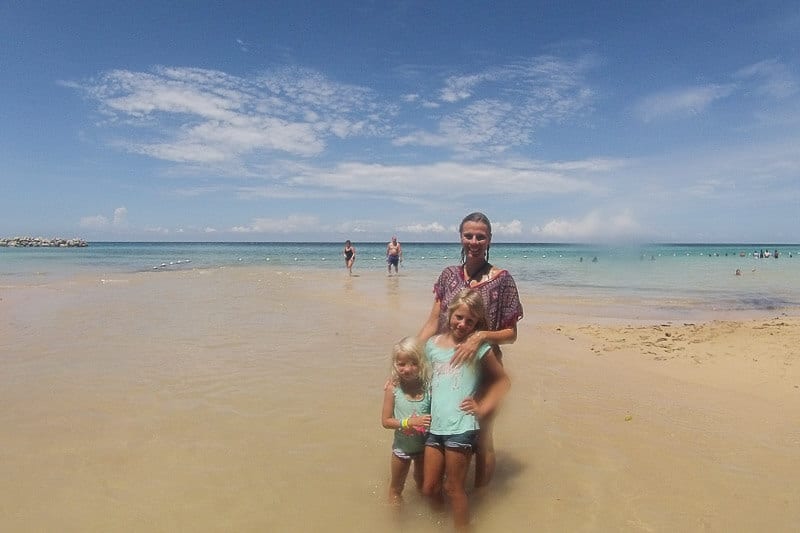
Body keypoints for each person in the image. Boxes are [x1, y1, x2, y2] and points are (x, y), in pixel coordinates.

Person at [417, 212, 522, 488]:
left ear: (489, 240)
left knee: (483, 436)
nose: (474, 241)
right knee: (439, 429)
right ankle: (446, 494)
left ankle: (480, 499)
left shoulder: (503, 279)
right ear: (461, 238)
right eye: (469, 235)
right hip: (445, 369)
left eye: (480, 236)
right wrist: (410, 357)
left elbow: (511, 334)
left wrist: (481, 336)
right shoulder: (449, 276)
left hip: (483, 370)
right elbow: (432, 322)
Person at [421, 289, 510, 530]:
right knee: (429, 488)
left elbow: (503, 381)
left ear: (476, 324)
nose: (463, 324)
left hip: (462, 425)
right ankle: (440, 523)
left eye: (470, 321)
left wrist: (482, 408)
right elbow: (419, 373)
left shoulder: (479, 348)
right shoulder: (432, 345)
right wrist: (395, 381)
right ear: (449, 313)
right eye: (459, 317)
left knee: (453, 488)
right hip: (435, 424)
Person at [381, 337, 432, 504]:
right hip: (401, 450)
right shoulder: (393, 388)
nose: (407, 369)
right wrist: (408, 423)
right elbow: (386, 421)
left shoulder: (428, 387)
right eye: (401, 364)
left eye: (413, 364)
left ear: (422, 363)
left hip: (424, 450)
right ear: (395, 364)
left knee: (423, 485)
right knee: (396, 489)